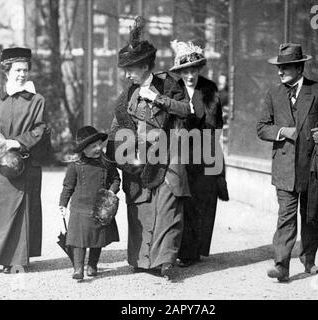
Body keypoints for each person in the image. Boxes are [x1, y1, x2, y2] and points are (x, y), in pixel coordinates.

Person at [106, 16, 191, 280]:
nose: (127, 74)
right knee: (141, 208)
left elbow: (186, 110)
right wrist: (114, 153)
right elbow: (116, 126)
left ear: (144, 65)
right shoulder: (126, 96)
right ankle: (142, 260)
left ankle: (166, 261)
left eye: (131, 68)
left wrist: (158, 99)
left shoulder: (169, 84)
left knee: (167, 210)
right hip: (139, 160)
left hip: (169, 156)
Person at [256, 43, 318, 282]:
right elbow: (261, 128)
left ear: (299, 66)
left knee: (309, 215)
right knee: (286, 215)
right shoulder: (273, 94)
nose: (279, 71)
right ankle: (281, 266)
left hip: (312, 166)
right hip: (284, 168)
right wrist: (283, 131)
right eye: (279, 66)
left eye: (285, 67)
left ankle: (309, 261)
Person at [0, 47, 51, 273]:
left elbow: (41, 128)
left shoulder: (37, 100)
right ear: (6, 71)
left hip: (25, 163)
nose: (22, 74)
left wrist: (18, 142)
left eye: (25, 70)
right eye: (17, 70)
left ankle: (17, 259)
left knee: (21, 211)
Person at [169, 40, 229, 267]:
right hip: (178, 151)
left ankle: (191, 252)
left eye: (194, 70)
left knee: (201, 199)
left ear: (199, 69)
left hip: (204, 152)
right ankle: (177, 248)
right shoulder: (174, 90)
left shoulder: (209, 89)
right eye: (186, 71)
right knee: (179, 200)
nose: (190, 75)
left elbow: (215, 126)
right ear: (180, 72)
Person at [59, 126, 120, 280]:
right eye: (93, 146)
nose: (98, 148)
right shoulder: (75, 165)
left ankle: (92, 265)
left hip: (100, 206)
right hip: (80, 208)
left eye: (99, 144)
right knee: (79, 241)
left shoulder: (106, 163)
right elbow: (68, 186)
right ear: (84, 150)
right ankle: (78, 268)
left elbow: (115, 179)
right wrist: (62, 204)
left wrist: (112, 191)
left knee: (97, 238)